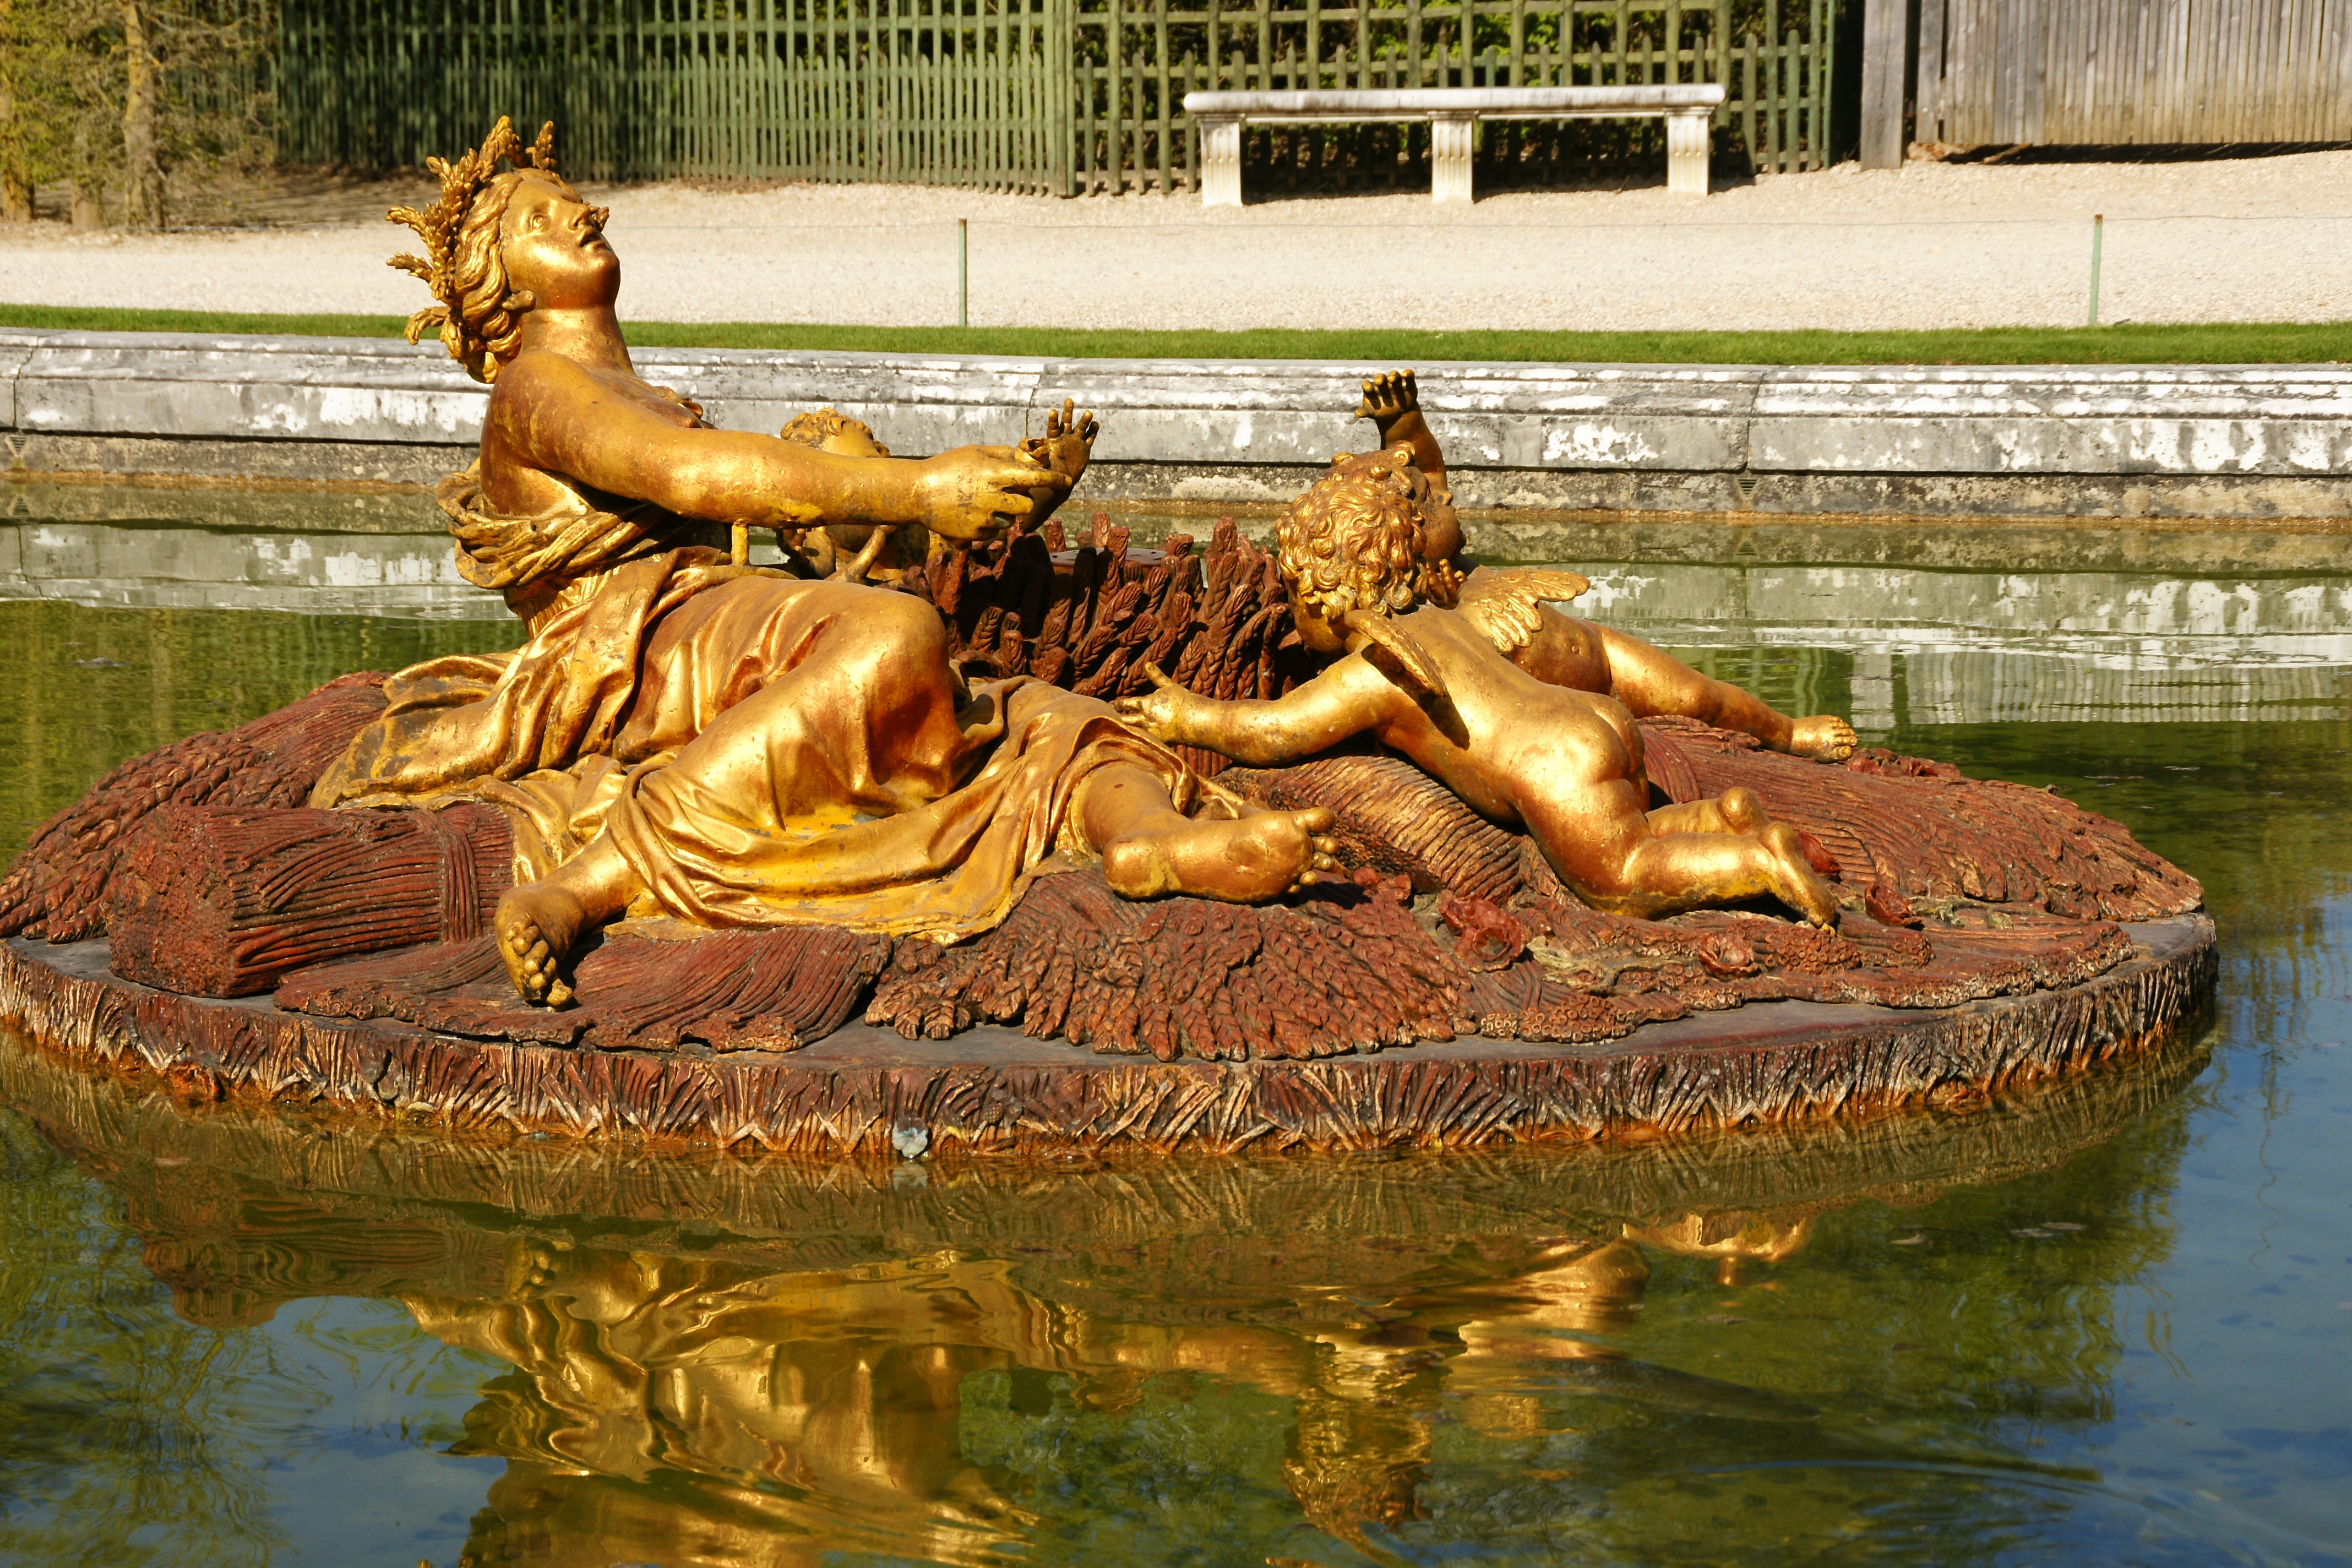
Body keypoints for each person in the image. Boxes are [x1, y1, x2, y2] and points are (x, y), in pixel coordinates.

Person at [311, 118, 1334, 1006]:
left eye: (571, 197)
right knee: (895, 633)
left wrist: (988, 502)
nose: (581, 210)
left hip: (709, 620)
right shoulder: (535, 388)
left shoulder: (621, 381)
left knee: (1023, 713)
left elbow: (758, 490)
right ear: (495, 284)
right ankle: (584, 887)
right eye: (541, 216)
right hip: (635, 652)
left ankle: (1145, 833)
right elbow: (698, 477)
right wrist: (917, 488)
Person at [1115, 448, 1839, 927]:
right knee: (1635, 829)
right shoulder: (1445, 611)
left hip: (1548, 764)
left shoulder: (1377, 670)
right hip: (1594, 720)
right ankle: (1721, 819)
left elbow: (1276, 731)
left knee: (1619, 878)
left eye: (1300, 597)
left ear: (1331, 594)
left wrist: (1187, 715)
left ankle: (1753, 861)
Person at [1352, 370, 1858, 761]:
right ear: (1401, 539)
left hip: (1604, 655)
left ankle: (1787, 732)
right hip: (1564, 708)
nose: (1450, 495)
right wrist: (1443, 618)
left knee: (1699, 695)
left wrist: (1404, 422)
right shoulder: (1416, 607)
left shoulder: (1450, 560)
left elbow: (1427, 469)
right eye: (1434, 503)